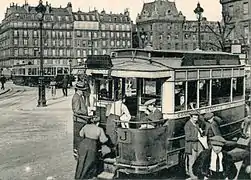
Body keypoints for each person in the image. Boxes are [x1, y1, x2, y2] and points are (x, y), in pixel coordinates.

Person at [72, 82, 90, 158]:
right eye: (83, 91)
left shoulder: (79, 96)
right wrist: (85, 113)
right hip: (79, 121)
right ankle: (78, 153)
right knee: (78, 138)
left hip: (81, 120)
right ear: (79, 90)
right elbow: (76, 110)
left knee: (80, 137)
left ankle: (79, 152)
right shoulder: (76, 97)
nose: (84, 92)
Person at [184, 111, 204, 179]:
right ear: (191, 117)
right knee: (192, 161)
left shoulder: (196, 124)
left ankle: (198, 173)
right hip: (191, 146)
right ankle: (193, 176)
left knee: (199, 159)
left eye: (197, 117)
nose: (196, 119)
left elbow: (198, 132)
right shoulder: (188, 125)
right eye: (194, 117)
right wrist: (197, 137)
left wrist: (201, 132)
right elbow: (187, 138)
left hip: (198, 144)